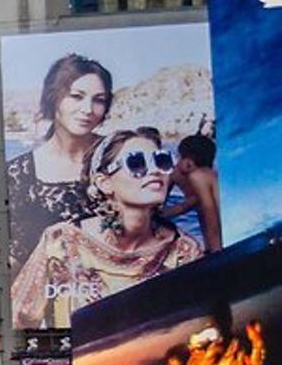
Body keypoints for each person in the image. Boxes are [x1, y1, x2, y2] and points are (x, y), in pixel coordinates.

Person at [12, 127, 202, 329]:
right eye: (137, 163)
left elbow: (196, 326)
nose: (155, 170)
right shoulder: (62, 242)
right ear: (104, 183)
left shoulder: (185, 251)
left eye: (161, 161)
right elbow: (18, 324)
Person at [7, 54, 113, 271]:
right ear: (53, 97)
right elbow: (16, 259)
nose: (87, 109)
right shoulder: (19, 173)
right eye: (76, 96)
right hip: (54, 297)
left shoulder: (120, 155)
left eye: (99, 100)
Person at [162, 133, 221, 253]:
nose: (177, 162)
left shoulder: (198, 176)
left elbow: (212, 220)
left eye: (180, 157)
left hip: (218, 240)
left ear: (189, 163)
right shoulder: (180, 174)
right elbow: (160, 209)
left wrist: (217, 255)